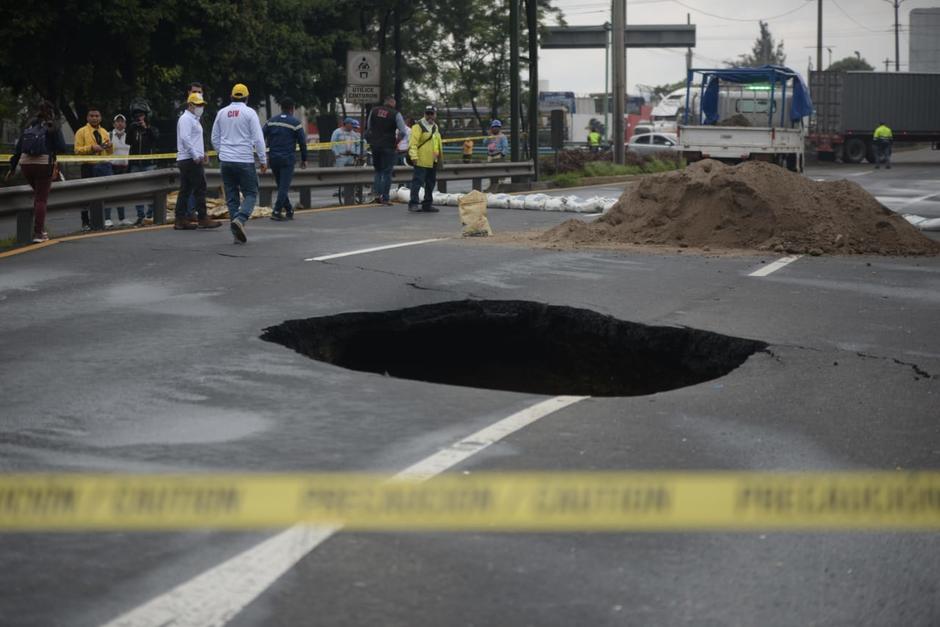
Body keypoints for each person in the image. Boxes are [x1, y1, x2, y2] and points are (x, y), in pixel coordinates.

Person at [211, 83, 267, 244]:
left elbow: (214, 137)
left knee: (232, 197)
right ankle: (240, 220)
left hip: (226, 161)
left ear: (231, 97)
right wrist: (263, 160)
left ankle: (236, 234)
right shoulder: (249, 113)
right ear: (247, 98)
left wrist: (222, 153)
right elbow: (258, 139)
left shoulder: (222, 113)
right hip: (244, 160)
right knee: (251, 193)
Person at [5, 100, 66, 243]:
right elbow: (61, 146)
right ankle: (39, 233)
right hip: (43, 164)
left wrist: (12, 168)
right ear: (52, 112)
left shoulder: (30, 124)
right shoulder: (53, 124)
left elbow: (19, 147)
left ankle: (40, 229)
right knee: (41, 199)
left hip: (26, 164)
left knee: (38, 196)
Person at [174, 92, 222, 231]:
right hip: (190, 159)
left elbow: (194, 139)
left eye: (201, 105)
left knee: (186, 189)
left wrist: (202, 153)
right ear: (190, 105)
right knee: (200, 187)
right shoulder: (186, 119)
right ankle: (202, 218)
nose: (201, 107)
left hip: (189, 158)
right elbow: (185, 138)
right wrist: (196, 155)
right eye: (198, 105)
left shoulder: (194, 119)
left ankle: (180, 219)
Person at [263, 97, 308, 221]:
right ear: (292, 109)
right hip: (287, 159)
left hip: (273, 159)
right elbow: (302, 143)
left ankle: (288, 209)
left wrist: (263, 154)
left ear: (281, 108)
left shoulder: (271, 121)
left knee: (281, 185)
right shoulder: (295, 123)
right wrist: (304, 159)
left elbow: (261, 136)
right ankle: (277, 211)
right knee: (284, 187)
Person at [74, 107, 113, 231]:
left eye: (97, 116)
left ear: (100, 118)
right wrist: (91, 148)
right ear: (87, 117)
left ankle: (100, 220)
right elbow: (77, 150)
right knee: (86, 194)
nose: (95, 118)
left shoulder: (105, 132)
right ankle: (85, 222)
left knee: (101, 193)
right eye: (92, 116)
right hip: (88, 166)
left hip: (102, 165)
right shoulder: (81, 131)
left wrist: (110, 147)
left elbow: (110, 152)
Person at [366, 95, 410, 205]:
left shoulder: (374, 111)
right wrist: (397, 142)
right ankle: (385, 198)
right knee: (387, 172)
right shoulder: (395, 114)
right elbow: (403, 131)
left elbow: (369, 127)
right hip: (388, 146)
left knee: (378, 171)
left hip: (375, 146)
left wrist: (372, 140)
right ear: (392, 103)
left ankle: (376, 195)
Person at [127, 106, 160, 226]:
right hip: (136, 164)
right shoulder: (133, 128)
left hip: (149, 164)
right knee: (137, 191)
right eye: (137, 116)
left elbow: (155, 139)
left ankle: (150, 214)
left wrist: (146, 128)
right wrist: (131, 129)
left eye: (141, 115)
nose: (139, 118)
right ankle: (140, 216)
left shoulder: (152, 128)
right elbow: (128, 141)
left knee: (151, 190)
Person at [407, 105, 443, 213]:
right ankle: (413, 203)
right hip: (421, 160)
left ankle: (427, 204)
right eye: (428, 113)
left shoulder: (435, 127)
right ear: (424, 114)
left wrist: (439, 158)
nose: (430, 116)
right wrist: (414, 156)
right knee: (417, 182)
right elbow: (413, 143)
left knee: (430, 183)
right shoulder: (418, 126)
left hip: (433, 160)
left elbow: (437, 143)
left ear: (435, 115)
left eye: (432, 113)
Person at [108, 114, 132, 225]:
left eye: (122, 121)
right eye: (117, 121)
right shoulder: (108, 135)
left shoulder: (129, 136)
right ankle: (107, 218)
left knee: (122, 194)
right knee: (109, 193)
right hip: (111, 167)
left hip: (124, 168)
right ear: (114, 124)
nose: (120, 123)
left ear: (125, 124)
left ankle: (122, 218)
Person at [485, 119, 509, 190]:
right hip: (490, 156)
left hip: (498, 155)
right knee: (490, 173)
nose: (495, 128)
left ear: (499, 128)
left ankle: (500, 187)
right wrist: (488, 137)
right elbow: (484, 143)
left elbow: (505, 147)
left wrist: (502, 154)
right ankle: (492, 186)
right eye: (494, 127)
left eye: (497, 127)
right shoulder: (490, 135)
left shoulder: (502, 136)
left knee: (499, 173)